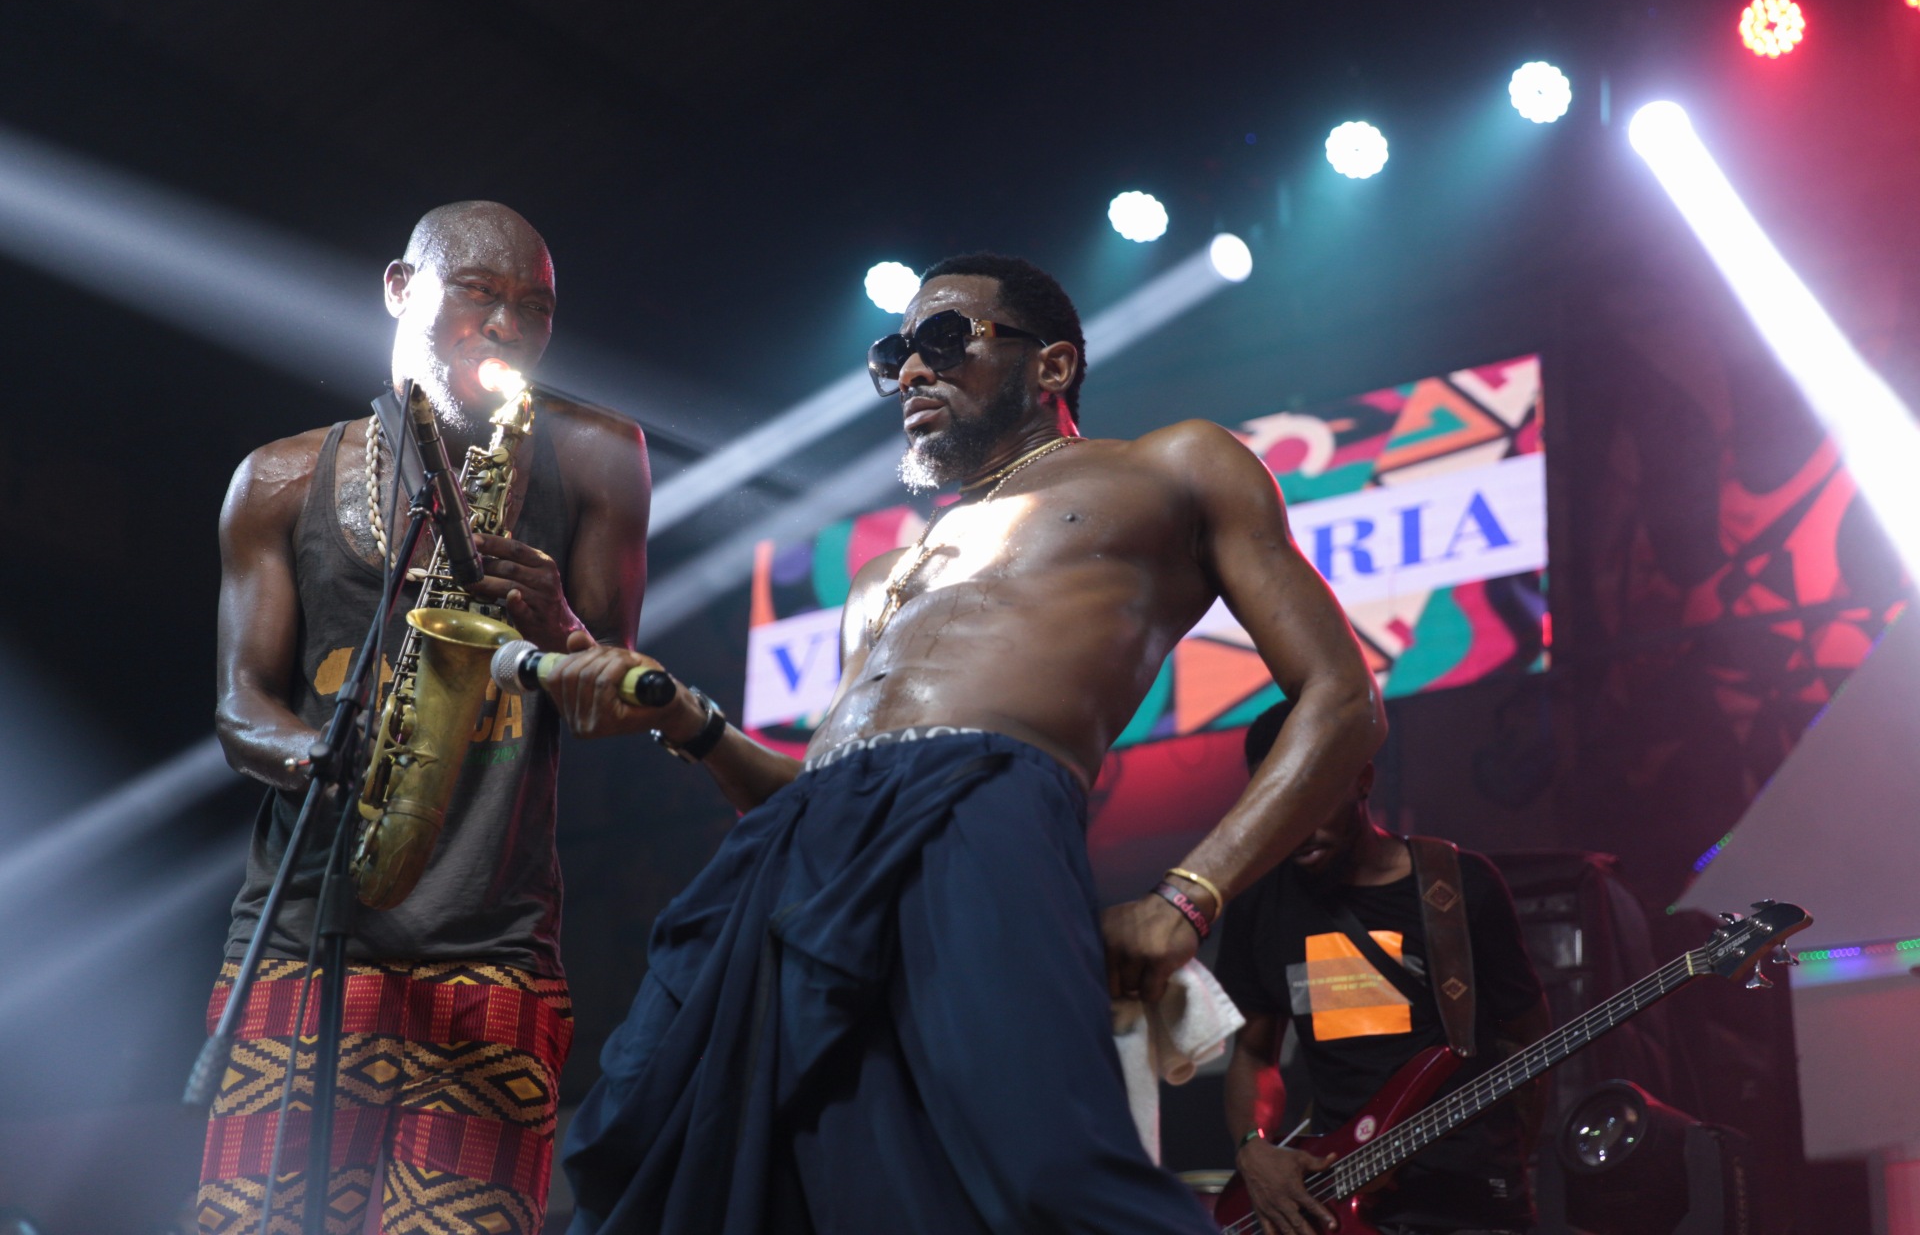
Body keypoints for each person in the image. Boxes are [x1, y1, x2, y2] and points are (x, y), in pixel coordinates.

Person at [543, 252, 1385, 1234]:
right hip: (796, 870)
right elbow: (815, 795)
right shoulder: (879, 577)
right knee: (718, 1171)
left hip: (988, 817)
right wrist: (693, 722)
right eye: (895, 351)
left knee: (1044, 1169)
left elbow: (1343, 697)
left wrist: (1189, 895)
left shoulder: (1173, 466)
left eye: (943, 338)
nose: (909, 370)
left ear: (1054, 365)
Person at [203, 201, 651, 1235]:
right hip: (305, 931)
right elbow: (238, 708)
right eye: (480, 297)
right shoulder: (278, 477)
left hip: (491, 942)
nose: (504, 327)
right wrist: (325, 751)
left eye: (531, 311)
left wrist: (562, 622)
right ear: (402, 288)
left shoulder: (596, 453)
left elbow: (616, 703)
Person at [1216, 700, 1551, 1235]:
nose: (1294, 826)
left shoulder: (1460, 885)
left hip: (1466, 1200)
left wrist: (1504, 1161)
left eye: (1308, 796)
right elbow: (1254, 1056)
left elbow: (1532, 1043)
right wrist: (1254, 1151)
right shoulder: (1258, 905)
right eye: (1274, 804)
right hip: (1337, 1190)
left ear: (1362, 781)